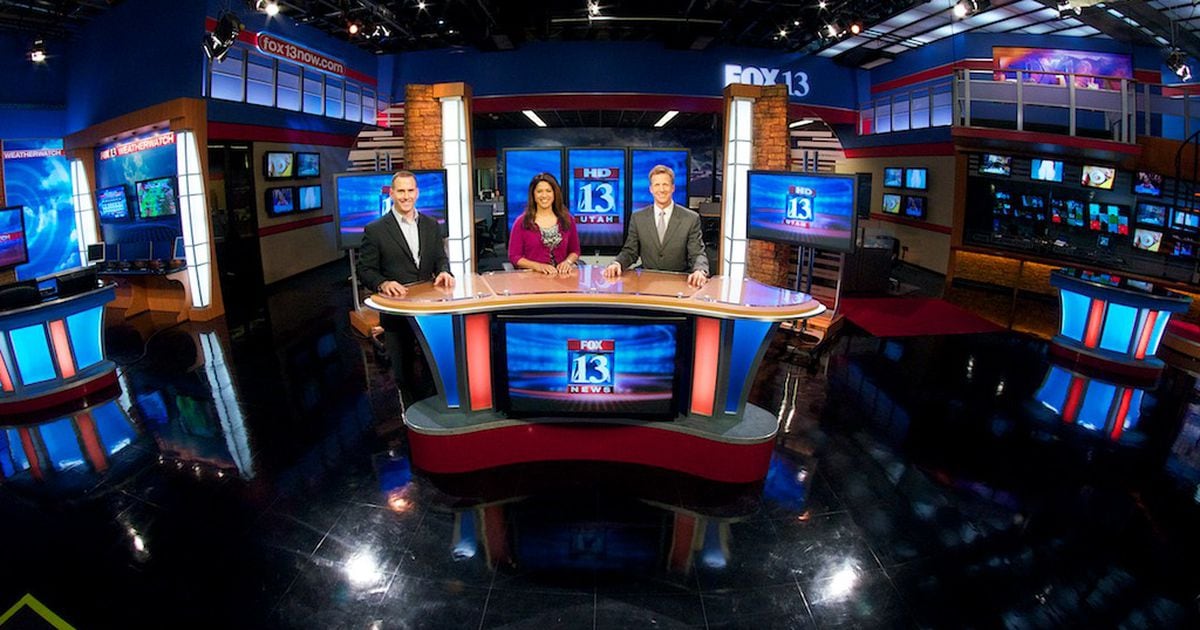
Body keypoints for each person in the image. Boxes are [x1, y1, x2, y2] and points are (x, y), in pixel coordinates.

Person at [356, 170, 454, 401]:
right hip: (396, 312)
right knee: (404, 371)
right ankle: (410, 411)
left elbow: (440, 258)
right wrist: (383, 283)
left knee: (433, 366)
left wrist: (444, 271)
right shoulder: (375, 230)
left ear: (417, 193)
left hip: (429, 308)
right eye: (401, 191)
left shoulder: (432, 225)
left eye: (410, 190)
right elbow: (365, 270)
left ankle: (434, 409)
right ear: (391, 193)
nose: (406, 196)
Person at [603, 164, 709, 287]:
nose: (661, 189)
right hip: (647, 283)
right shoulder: (638, 218)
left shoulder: (690, 218)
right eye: (657, 185)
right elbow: (630, 251)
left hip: (678, 284)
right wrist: (617, 263)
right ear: (651, 189)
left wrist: (700, 271)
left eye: (665, 184)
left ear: (673, 188)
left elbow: (697, 253)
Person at [508, 173, 581, 274]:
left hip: (562, 278)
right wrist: (538, 266)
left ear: (555, 194)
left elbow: (575, 251)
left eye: (548, 191)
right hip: (533, 278)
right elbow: (514, 257)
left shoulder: (567, 220)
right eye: (539, 191)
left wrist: (567, 262)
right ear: (533, 195)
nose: (544, 195)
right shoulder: (522, 222)